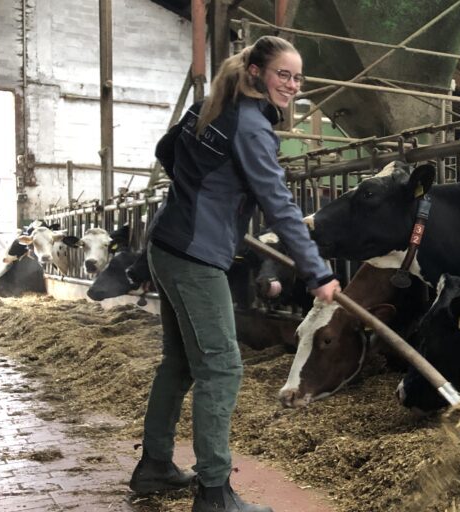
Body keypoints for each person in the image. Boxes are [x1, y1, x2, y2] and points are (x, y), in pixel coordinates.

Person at [128, 35, 340, 512]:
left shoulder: (208, 106)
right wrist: (317, 273)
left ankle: (155, 466)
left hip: (168, 244)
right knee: (222, 367)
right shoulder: (251, 126)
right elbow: (280, 206)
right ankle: (215, 492)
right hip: (195, 257)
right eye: (283, 73)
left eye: (297, 76)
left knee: (181, 363)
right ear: (256, 73)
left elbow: (167, 151)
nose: (292, 84)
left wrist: (198, 191)